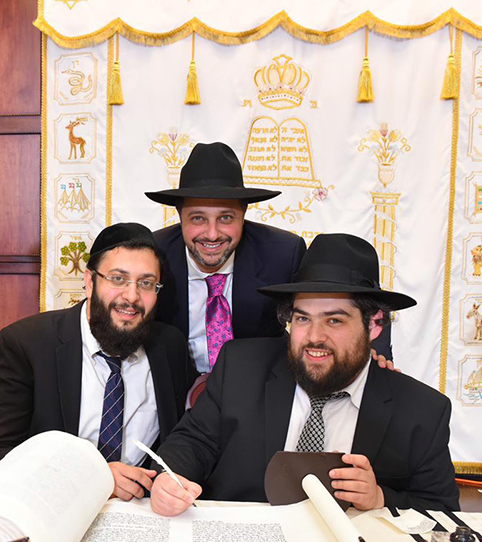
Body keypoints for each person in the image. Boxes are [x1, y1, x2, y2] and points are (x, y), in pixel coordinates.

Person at [150, 233, 459, 516]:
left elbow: (443, 512)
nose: (314, 337)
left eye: (334, 321)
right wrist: (170, 477)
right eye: (302, 318)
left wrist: (380, 498)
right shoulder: (241, 366)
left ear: (374, 324)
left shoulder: (421, 411)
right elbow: (193, 442)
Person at [0, 223, 196, 501]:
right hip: (52, 504)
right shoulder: (26, 343)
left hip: (140, 508)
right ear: (90, 282)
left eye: (146, 283)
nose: (132, 296)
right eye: (118, 279)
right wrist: (92, 478)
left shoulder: (169, 346)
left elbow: (183, 440)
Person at [146, 141, 392, 372]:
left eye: (226, 218)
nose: (212, 234)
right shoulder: (153, 255)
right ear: (179, 216)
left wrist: (373, 348)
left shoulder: (283, 252)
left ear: (244, 215)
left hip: (260, 381)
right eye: (198, 218)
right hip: (174, 383)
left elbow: (346, 299)